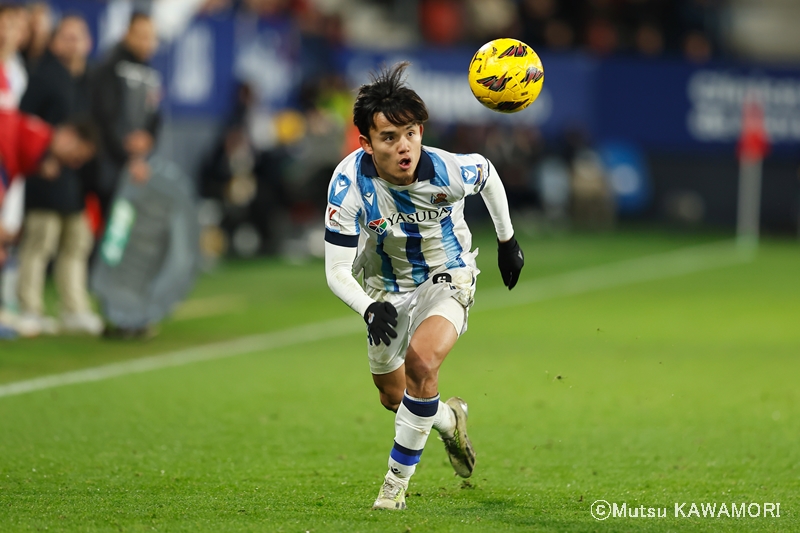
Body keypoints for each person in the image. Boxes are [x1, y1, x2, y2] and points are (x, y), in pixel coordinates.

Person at [323, 63, 524, 510]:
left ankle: (394, 488)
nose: (404, 147)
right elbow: (336, 269)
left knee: (421, 363)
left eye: (411, 133)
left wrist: (507, 240)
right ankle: (450, 419)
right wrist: (368, 307)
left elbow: (487, 173)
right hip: (384, 290)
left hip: (446, 276)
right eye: (389, 138)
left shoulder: (446, 170)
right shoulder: (349, 184)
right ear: (366, 143)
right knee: (393, 395)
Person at [16, 14, 101, 336]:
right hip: (44, 170)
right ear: (53, 42)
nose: (74, 42)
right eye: (66, 36)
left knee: (77, 241)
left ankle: (74, 308)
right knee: (41, 240)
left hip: (75, 176)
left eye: (79, 36)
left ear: (89, 42)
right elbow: (24, 122)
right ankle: (30, 308)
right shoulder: (43, 76)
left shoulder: (87, 78)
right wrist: (40, 157)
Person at [90, 11, 160, 219]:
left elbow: (154, 117)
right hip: (108, 167)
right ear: (126, 34)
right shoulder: (109, 67)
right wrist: (128, 157)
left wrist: (147, 143)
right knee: (110, 230)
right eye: (141, 35)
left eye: (151, 36)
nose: (147, 42)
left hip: (136, 165)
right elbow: (105, 117)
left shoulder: (150, 73)